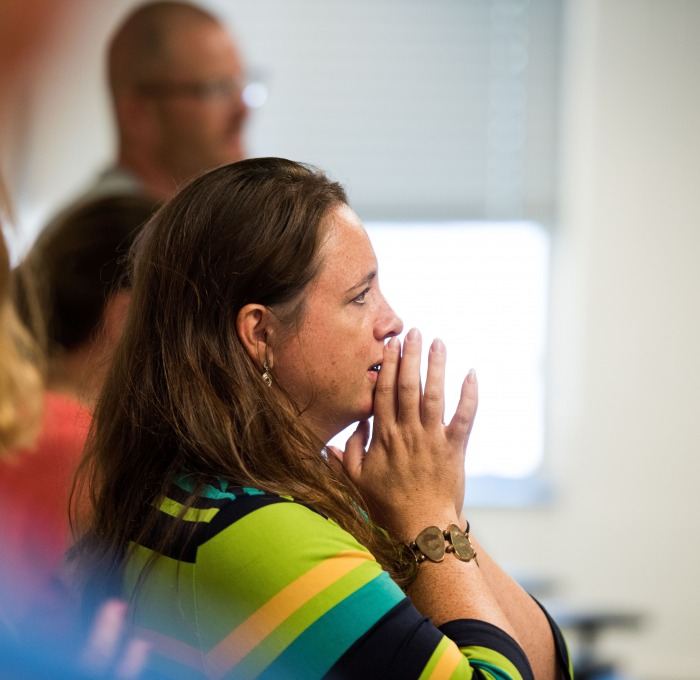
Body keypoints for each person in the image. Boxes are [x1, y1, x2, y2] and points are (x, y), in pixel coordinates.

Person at [73, 157, 573, 679]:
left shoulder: (222, 494)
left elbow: (547, 664)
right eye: (360, 297)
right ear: (261, 335)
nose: (391, 320)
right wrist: (432, 521)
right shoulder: (258, 531)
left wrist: (433, 511)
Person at [82, 1, 250, 204]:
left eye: (238, 85)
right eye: (216, 89)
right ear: (137, 115)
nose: (243, 109)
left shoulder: (179, 225)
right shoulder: (107, 231)